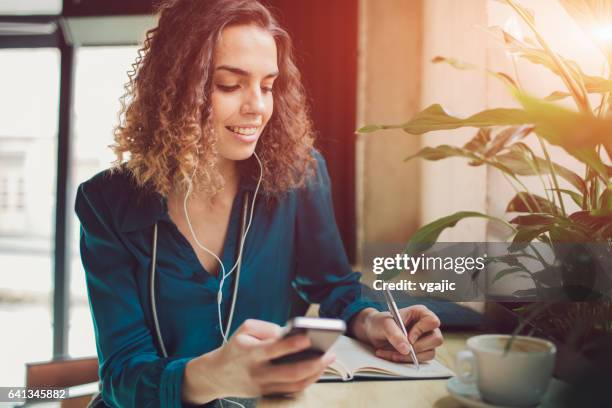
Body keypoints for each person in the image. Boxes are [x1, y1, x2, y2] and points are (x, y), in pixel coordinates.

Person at [75, 0, 444, 407]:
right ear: (175, 86)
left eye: (267, 86)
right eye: (230, 85)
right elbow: (121, 375)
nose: (257, 106)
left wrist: (376, 322)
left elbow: (335, 286)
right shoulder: (106, 202)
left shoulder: (298, 175)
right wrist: (215, 376)